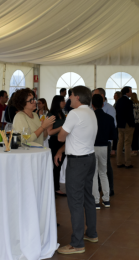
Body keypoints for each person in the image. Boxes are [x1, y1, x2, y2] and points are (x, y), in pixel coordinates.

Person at [55, 86, 98, 255]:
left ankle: (77, 243)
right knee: (88, 197)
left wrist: (61, 132)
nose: (68, 98)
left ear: (78, 97)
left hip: (78, 162)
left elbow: (60, 137)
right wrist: (62, 148)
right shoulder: (90, 112)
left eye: (70, 96)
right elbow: (77, 137)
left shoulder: (74, 114)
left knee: (75, 201)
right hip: (89, 158)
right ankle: (92, 233)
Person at [91, 94, 115, 209]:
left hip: (92, 147)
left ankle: (96, 201)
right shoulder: (109, 118)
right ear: (102, 104)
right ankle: (106, 200)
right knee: (103, 173)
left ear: (92, 105)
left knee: (94, 174)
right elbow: (113, 135)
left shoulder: (90, 117)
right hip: (104, 147)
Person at [47, 95, 67, 195]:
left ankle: (56, 188)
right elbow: (50, 132)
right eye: (63, 100)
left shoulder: (62, 114)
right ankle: (54, 188)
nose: (65, 102)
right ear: (57, 102)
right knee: (55, 165)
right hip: (55, 141)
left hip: (63, 141)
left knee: (58, 166)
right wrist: (62, 127)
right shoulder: (51, 115)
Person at [115, 86, 135, 168]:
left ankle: (119, 162)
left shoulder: (118, 101)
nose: (131, 93)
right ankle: (127, 163)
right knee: (127, 143)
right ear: (127, 92)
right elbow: (130, 115)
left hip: (120, 124)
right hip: (127, 124)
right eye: (130, 91)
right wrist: (132, 124)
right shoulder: (129, 102)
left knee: (120, 143)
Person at [111, 91, 122, 156]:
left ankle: (114, 149)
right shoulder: (116, 103)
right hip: (116, 121)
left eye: (115, 95)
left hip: (118, 122)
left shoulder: (118, 104)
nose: (114, 96)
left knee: (116, 136)